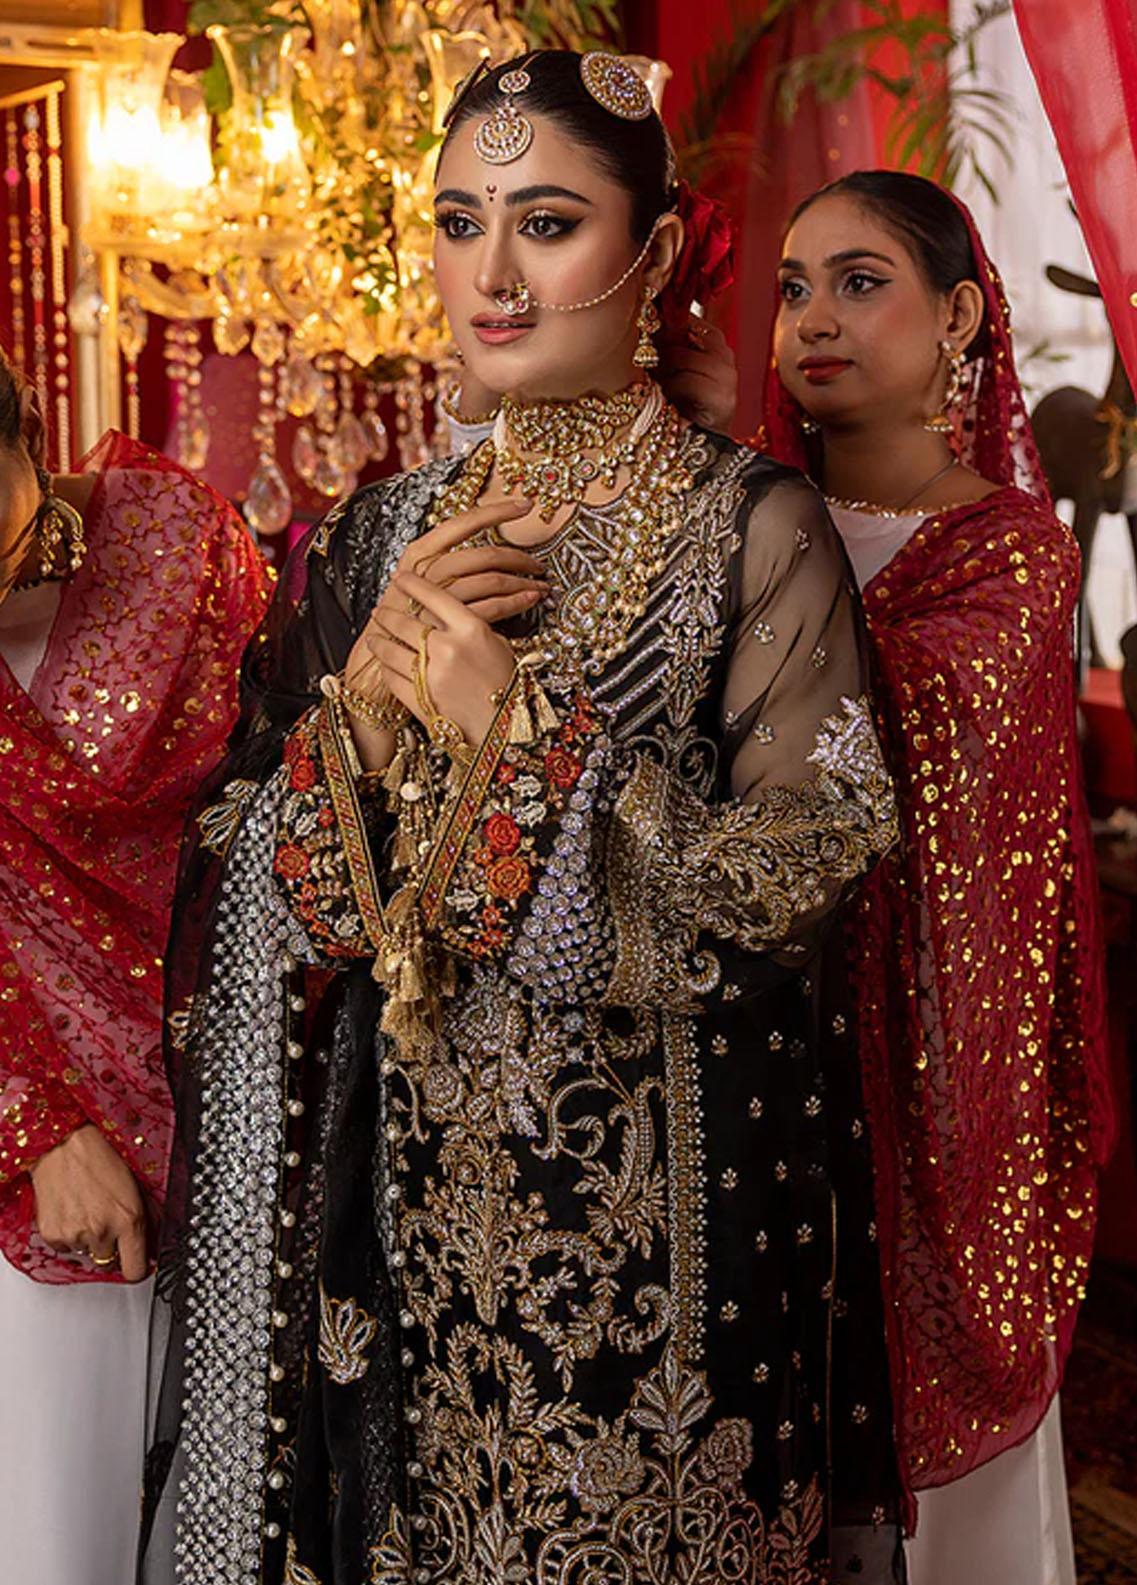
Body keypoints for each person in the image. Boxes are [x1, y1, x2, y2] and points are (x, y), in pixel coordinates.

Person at [140, 51, 903, 1585]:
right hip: (404, 1262)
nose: (490, 274)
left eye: (545, 223)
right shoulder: (370, 541)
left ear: (655, 252)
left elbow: (804, 873)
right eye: (457, 222)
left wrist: (529, 744)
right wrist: (360, 718)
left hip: (665, 1272)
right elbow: (248, 883)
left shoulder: (750, 528)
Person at [763, 170, 1114, 1585]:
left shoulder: (1008, 554)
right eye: (792, 287)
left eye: (860, 284)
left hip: (932, 1086)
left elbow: (861, 735)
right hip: (757, 1041)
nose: (813, 319)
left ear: (961, 315)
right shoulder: (743, 521)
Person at [0, 357, 270, 1585]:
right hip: (35, 1164)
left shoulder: (181, 545)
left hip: (238, 1122)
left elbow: (279, 807)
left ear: (30, 428)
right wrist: (34, 1126)